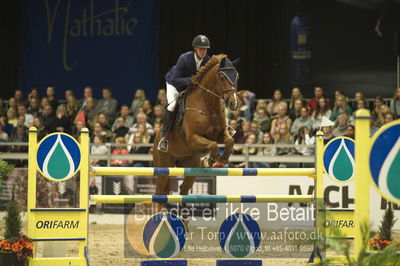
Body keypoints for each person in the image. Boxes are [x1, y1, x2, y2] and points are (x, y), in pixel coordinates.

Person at [158, 35, 211, 152]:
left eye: (205, 49)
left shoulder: (208, 60)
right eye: (201, 48)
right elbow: (176, 79)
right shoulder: (184, 58)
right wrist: (189, 81)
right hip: (174, 84)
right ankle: (164, 137)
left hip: (192, 87)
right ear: (195, 48)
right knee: (172, 105)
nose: (203, 51)